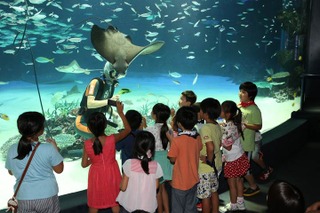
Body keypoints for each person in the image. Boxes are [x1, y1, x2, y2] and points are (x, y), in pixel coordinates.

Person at [5, 111, 64, 213]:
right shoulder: (48, 148)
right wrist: (55, 149)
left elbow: (10, 172)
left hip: (24, 197)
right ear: (39, 130)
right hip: (47, 196)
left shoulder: (12, 149)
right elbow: (59, 170)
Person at [81, 101, 131, 213]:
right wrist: (120, 112)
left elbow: (84, 164)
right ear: (105, 125)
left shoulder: (87, 144)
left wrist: (93, 160)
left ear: (89, 128)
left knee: (94, 203)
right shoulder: (112, 139)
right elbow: (128, 130)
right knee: (115, 201)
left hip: (96, 174)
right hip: (112, 172)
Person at [116, 131, 163, 213]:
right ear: (152, 148)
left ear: (135, 146)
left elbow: (123, 187)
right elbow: (156, 187)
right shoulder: (156, 166)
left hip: (129, 206)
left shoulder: (129, 163)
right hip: (148, 207)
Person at [238, 81, 272, 196]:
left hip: (253, 139)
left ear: (250, 95)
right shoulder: (239, 106)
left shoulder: (254, 109)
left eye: (243, 92)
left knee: (254, 157)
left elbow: (259, 126)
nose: (240, 94)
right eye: (240, 91)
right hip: (242, 141)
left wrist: (245, 125)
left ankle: (266, 170)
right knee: (243, 163)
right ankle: (241, 185)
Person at [75, 61, 124, 139]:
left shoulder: (111, 86)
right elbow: (90, 103)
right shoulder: (95, 82)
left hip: (96, 122)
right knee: (99, 138)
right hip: (83, 121)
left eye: (119, 75)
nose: (116, 77)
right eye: (115, 74)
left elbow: (104, 106)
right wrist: (109, 101)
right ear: (109, 71)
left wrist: (116, 116)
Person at [167, 106, 203, 213]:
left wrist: (171, 140)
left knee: (177, 208)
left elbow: (172, 159)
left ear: (179, 123)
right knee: (191, 208)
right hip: (193, 179)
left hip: (180, 181)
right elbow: (199, 148)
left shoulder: (177, 140)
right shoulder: (197, 137)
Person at [219, 101, 250, 212]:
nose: (219, 111)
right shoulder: (237, 122)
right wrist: (224, 126)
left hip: (232, 159)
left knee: (232, 185)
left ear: (227, 114)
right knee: (240, 181)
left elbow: (227, 147)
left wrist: (220, 137)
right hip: (240, 156)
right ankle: (241, 204)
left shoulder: (227, 129)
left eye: (221, 110)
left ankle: (233, 205)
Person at [145, 103, 172, 213]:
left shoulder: (149, 129)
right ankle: (166, 210)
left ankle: (160, 211)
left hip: (155, 161)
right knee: (163, 188)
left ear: (155, 115)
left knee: (157, 190)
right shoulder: (169, 129)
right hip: (166, 160)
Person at [197, 98, 223, 213]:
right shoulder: (217, 125)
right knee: (214, 192)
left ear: (205, 114)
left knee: (205, 196)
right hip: (217, 164)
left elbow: (210, 147)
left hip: (206, 168)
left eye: (201, 110)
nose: (200, 112)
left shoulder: (205, 128)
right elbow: (220, 143)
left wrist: (208, 160)